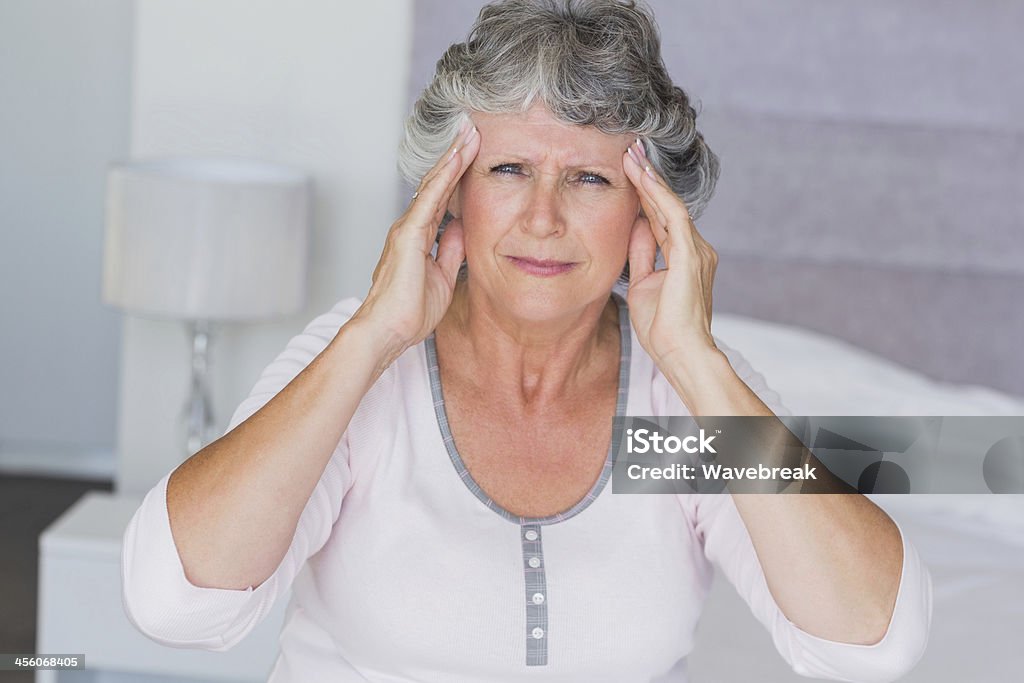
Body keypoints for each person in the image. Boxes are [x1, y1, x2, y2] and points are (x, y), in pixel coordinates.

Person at [121, 1, 932, 681]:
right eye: (508, 169)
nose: (543, 218)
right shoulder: (363, 358)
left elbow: (870, 640)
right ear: (450, 194)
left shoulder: (673, 404)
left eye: (589, 178)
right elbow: (174, 601)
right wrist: (375, 335)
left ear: (650, 216)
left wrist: (694, 360)